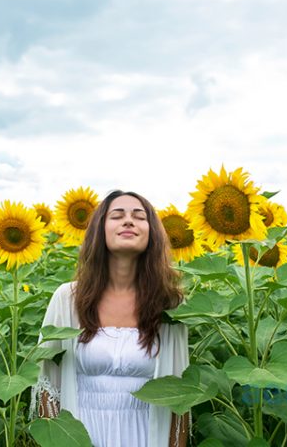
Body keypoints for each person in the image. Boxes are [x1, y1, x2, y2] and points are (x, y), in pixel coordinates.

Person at [31, 190, 189, 447]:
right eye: (117, 216)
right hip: (82, 435)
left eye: (139, 217)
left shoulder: (170, 305)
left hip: (147, 437)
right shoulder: (67, 299)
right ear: (99, 230)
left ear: (152, 234)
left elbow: (180, 396)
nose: (128, 221)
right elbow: (48, 386)